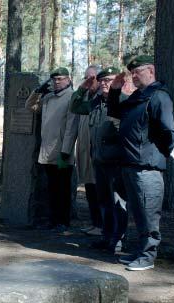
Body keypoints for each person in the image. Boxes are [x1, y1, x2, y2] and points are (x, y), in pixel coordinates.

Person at [107, 55, 174, 271]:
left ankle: (147, 256)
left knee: (148, 213)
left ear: (151, 71)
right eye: (132, 72)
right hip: (129, 164)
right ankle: (139, 252)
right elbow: (116, 112)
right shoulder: (139, 96)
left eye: (137, 72)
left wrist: (154, 154)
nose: (134, 76)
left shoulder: (158, 97)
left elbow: (168, 132)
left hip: (147, 167)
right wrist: (115, 91)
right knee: (138, 213)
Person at [70, 66, 128, 255]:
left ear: (117, 82)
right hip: (99, 160)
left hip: (116, 162)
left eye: (109, 80)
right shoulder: (95, 102)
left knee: (118, 202)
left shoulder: (122, 102)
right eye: (102, 80)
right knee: (104, 201)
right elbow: (76, 107)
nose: (104, 84)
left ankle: (118, 239)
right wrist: (82, 88)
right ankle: (106, 235)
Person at [25, 67, 79, 233]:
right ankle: (54, 220)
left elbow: (71, 126)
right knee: (52, 189)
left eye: (60, 79)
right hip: (47, 151)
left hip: (62, 153)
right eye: (54, 79)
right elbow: (30, 106)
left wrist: (66, 151)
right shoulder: (48, 97)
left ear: (68, 80)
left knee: (63, 189)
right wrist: (37, 92)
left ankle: (63, 222)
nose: (57, 82)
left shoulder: (71, 97)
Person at [74, 66, 103, 236]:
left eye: (92, 77)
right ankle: (95, 223)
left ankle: (102, 225)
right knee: (90, 189)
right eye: (86, 77)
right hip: (84, 149)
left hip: (98, 152)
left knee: (100, 191)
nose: (88, 80)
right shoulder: (85, 97)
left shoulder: (102, 97)